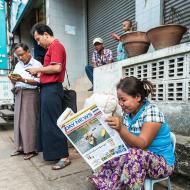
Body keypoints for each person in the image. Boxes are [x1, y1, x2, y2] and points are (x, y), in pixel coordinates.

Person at [87, 76, 175, 190]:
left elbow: (143, 145)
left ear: (137, 97)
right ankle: (109, 185)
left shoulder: (151, 112)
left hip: (161, 163)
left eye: (123, 99)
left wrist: (121, 129)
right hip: (136, 158)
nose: (120, 103)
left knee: (134, 155)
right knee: (108, 153)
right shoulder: (127, 114)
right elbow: (126, 140)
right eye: (119, 99)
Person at [27, 23, 70, 170]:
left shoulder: (56, 46)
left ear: (46, 34)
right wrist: (41, 73)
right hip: (47, 89)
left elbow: (57, 67)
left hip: (52, 89)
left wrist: (38, 69)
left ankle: (64, 157)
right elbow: (51, 69)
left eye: (38, 39)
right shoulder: (51, 48)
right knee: (48, 122)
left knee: (54, 122)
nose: (38, 43)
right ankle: (55, 154)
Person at [9, 43, 41, 160]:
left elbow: (38, 81)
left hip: (30, 94)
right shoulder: (18, 64)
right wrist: (13, 80)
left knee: (29, 122)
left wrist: (22, 79)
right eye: (18, 56)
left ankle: (31, 149)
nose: (20, 58)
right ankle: (20, 147)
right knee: (18, 121)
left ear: (28, 52)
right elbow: (16, 80)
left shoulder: (37, 64)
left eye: (22, 55)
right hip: (19, 93)